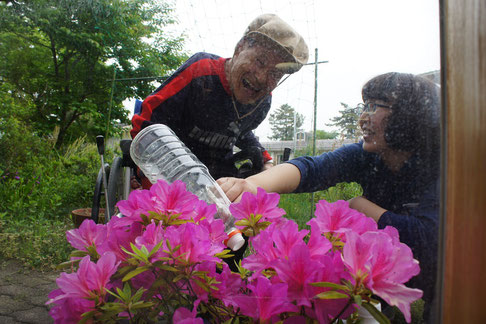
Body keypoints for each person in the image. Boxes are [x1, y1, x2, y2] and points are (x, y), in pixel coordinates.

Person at [217, 72, 440, 322]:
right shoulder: (368, 156)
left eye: (373, 106)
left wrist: (360, 206)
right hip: (384, 275)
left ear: (408, 115)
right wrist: (252, 184)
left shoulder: (440, 168)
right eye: (363, 106)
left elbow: (429, 240)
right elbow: (313, 169)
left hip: (446, 283)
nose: (362, 117)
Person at [130, 13, 309, 185]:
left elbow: (240, 131)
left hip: (217, 179)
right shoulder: (201, 73)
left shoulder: (262, 102)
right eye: (260, 61)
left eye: (275, 74)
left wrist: (265, 160)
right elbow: (149, 117)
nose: (262, 77)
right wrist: (151, 179)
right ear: (240, 48)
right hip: (171, 167)